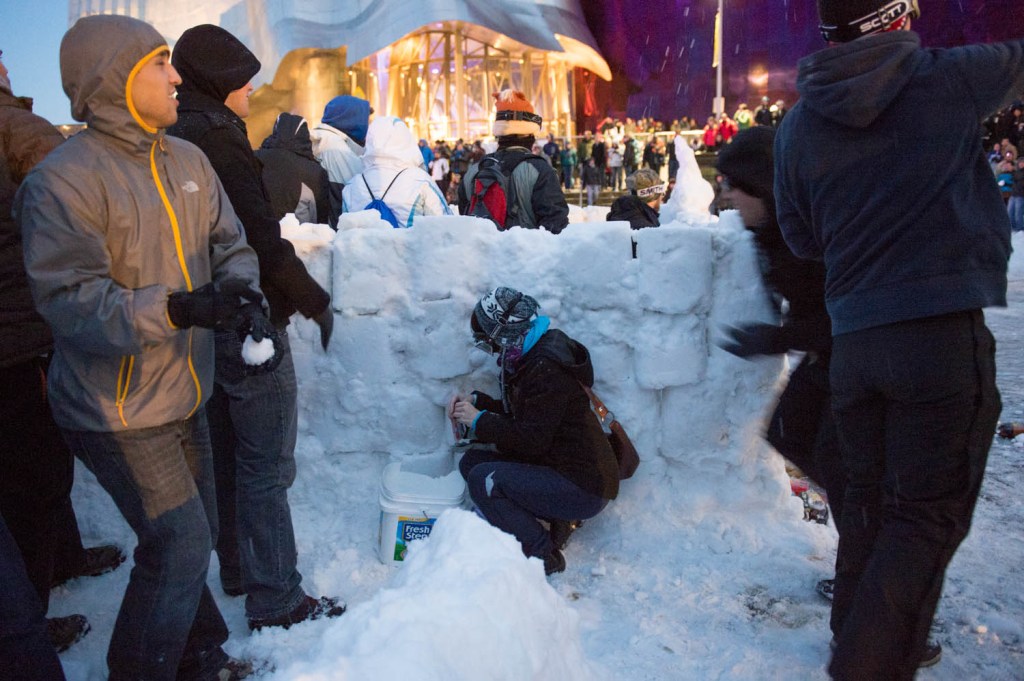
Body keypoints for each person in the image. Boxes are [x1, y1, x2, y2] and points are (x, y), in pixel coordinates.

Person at [774, 2, 1021, 678]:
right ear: (895, 18)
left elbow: (801, 239)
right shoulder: (944, 79)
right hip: (938, 337)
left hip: (856, 345)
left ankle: (856, 634)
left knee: (869, 503)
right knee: (921, 520)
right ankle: (867, 660)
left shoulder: (797, 126)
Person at [15, 14, 264, 679]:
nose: (176, 74)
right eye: (159, 62)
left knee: (192, 538)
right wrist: (180, 307)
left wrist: (241, 292)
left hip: (186, 389)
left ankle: (196, 651)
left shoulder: (188, 159)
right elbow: (69, 301)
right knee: (179, 543)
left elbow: (230, 242)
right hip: (114, 406)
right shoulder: (61, 180)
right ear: (114, 78)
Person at [169, 23, 344, 632]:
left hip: (203, 316)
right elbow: (258, 239)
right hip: (246, 320)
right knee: (266, 463)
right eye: (243, 80)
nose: (251, 91)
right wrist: (314, 299)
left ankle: (240, 569)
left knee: (225, 450)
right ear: (219, 81)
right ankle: (276, 598)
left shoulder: (174, 130)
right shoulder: (217, 136)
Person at [1, 45, 129, 654]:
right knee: (34, 473)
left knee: (37, 462)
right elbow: (78, 206)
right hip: (18, 338)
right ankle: (29, 609)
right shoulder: (18, 127)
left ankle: (64, 558)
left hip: (20, 332)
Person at [451, 287, 619, 575]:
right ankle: (559, 521)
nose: (489, 351)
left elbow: (530, 441)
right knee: (472, 463)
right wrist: (480, 404)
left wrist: (480, 420)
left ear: (503, 334)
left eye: (487, 342)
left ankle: (543, 555)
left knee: (485, 480)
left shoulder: (546, 370)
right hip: (559, 468)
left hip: (583, 485)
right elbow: (528, 416)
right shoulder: (530, 356)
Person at [458, 90, 569, 232]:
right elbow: (556, 225)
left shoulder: (474, 170)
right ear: (530, 135)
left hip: (482, 252)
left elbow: (464, 216)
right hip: (525, 253)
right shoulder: (539, 169)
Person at [343, 116, 453, 226]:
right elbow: (445, 225)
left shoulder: (352, 185)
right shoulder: (420, 179)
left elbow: (345, 230)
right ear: (405, 139)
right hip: (409, 243)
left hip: (362, 243)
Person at [256, 112, 333, 227]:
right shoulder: (313, 171)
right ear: (305, 135)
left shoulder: (254, 158)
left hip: (256, 233)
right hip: (298, 238)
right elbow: (320, 218)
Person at [310, 95, 372, 224]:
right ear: (352, 120)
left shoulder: (321, 140)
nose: (368, 126)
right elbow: (349, 201)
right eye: (366, 120)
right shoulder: (339, 151)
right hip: (333, 232)